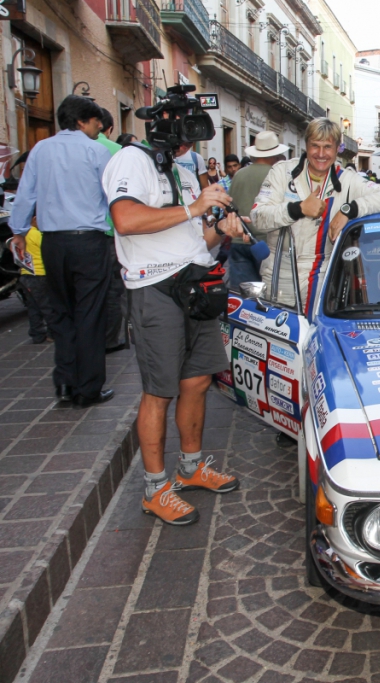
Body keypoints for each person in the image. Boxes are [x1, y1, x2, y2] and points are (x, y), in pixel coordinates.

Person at [103, 116, 250, 526]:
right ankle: (155, 488)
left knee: (197, 380)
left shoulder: (185, 173)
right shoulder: (132, 161)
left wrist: (222, 230)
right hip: (154, 287)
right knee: (159, 391)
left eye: (194, 142)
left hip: (195, 285)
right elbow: (126, 220)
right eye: (185, 140)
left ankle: (190, 467)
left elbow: (194, 237)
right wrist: (194, 206)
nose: (190, 148)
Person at [9, 95, 115, 407]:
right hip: (89, 242)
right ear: (82, 121)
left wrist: (18, 232)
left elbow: (25, 193)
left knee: (61, 313)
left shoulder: (41, 149)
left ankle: (66, 384)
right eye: (96, 122)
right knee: (90, 314)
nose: (99, 128)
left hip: (53, 243)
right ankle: (89, 388)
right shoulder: (97, 151)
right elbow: (113, 197)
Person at [250, 119, 380, 309]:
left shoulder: (348, 179)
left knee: (314, 334)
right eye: (315, 146)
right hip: (279, 272)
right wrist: (298, 209)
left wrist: (349, 209)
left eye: (327, 147)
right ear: (306, 145)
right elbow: (257, 216)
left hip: (322, 276)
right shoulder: (282, 172)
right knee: (284, 334)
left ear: (337, 149)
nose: (321, 154)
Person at [228, 133, 287, 289]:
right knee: (270, 294)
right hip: (267, 242)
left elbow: (230, 205)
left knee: (244, 296)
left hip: (239, 240)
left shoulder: (239, 174)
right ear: (274, 154)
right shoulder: (277, 175)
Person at [96, 109, 128, 353]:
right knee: (113, 290)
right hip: (109, 233)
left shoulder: (45, 149)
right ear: (108, 129)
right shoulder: (117, 152)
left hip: (60, 237)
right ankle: (109, 339)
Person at [18, 226, 54, 344]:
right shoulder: (36, 234)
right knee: (47, 305)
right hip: (39, 274)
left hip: (25, 274)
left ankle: (37, 334)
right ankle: (52, 333)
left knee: (33, 307)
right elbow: (48, 250)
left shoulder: (21, 235)